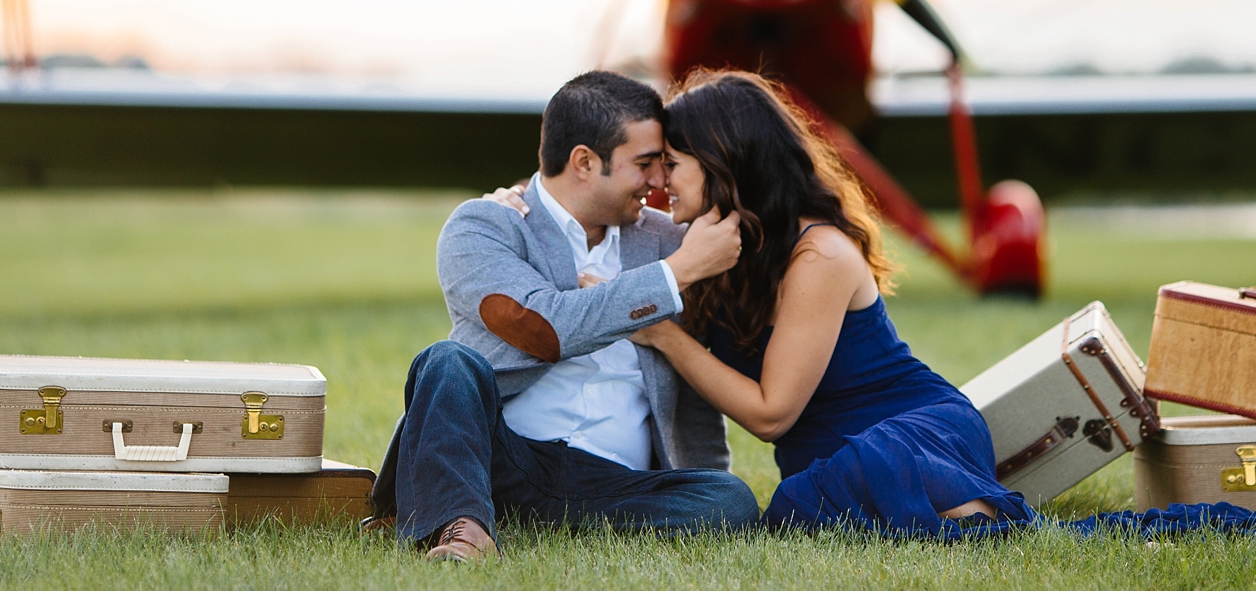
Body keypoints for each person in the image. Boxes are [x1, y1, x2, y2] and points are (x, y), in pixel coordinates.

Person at [367, 71, 760, 562]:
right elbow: (545, 329)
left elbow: (696, 384)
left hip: (614, 483)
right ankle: (462, 528)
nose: (658, 181)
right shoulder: (484, 227)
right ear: (583, 162)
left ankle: (517, 516)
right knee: (447, 361)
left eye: (663, 164)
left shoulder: (670, 241)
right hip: (503, 459)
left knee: (730, 500)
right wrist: (673, 275)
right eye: (644, 164)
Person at [629, 69, 1035, 537]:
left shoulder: (820, 252)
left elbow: (770, 414)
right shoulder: (714, 248)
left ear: (722, 162)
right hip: (823, 461)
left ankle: (965, 511)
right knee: (805, 505)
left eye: (672, 163)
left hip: (909, 433)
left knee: (839, 487)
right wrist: (527, 202)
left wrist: (664, 334)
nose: (660, 179)